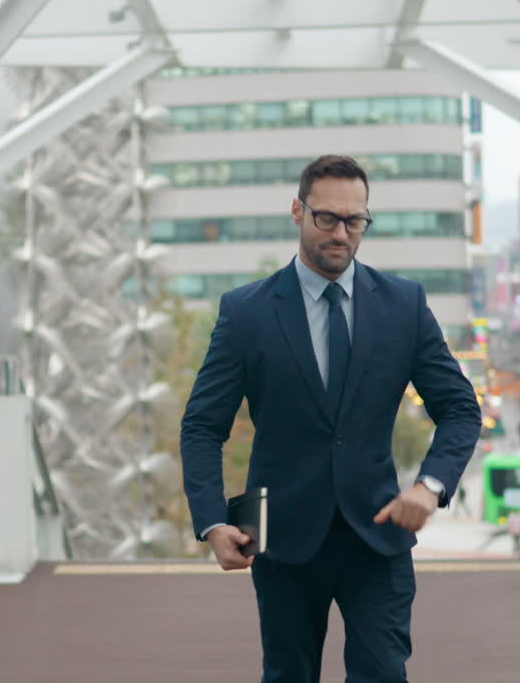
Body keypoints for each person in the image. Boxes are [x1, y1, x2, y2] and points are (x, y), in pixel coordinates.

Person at [180, 155, 481, 682]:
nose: (341, 233)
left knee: (384, 674)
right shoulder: (246, 312)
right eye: (327, 218)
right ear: (298, 211)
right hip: (283, 540)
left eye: (355, 221)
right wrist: (211, 521)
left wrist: (429, 486)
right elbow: (203, 426)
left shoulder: (403, 305)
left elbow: (459, 408)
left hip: (377, 533)